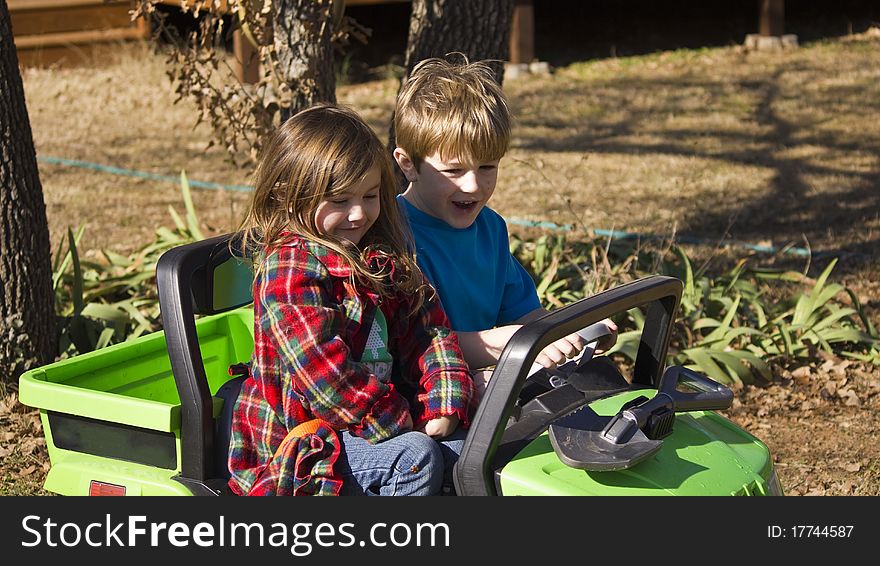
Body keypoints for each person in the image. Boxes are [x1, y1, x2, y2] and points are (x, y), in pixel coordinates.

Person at [227, 104, 476, 497]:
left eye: (371, 195)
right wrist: (400, 420)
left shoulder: (376, 254)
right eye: (340, 200)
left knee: (468, 449)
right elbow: (324, 375)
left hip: (372, 421)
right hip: (307, 441)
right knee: (415, 458)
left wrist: (445, 398)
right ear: (287, 196)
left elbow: (428, 330)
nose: (359, 214)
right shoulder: (289, 270)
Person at [392, 55, 617, 396]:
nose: (473, 186)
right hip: (421, 394)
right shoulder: (391, 235)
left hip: (480, 379)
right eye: (453, 171)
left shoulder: (490, 228)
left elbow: (525, 315)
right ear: (408, 165)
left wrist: (571, 330)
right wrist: (505, 343)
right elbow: (410, 347)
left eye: (487, 167)